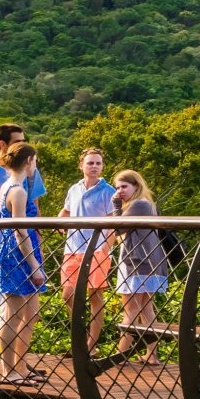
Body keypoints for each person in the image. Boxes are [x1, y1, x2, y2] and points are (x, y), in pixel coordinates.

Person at [0, 142, 48, 385]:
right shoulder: (17, 191)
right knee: (12, 314)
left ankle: (20, 366)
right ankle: (8, 370)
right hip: (19, 254)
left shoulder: (9, 186)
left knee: (30, 313)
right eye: (35, 160)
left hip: (20, 250)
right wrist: (33, 263)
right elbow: (19, 231)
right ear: (29, 161)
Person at [57, 148, 116, 348]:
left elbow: (113, 223)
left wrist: (105, 249)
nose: (94, 167)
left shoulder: (109, 192)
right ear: (81, 165)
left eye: (98, 163)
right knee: (68, 295)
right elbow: (65, 211)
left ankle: (91, 345)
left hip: (97, 249)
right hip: (72, 249)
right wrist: (58, 222)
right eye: (90, 163)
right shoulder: (74, 189)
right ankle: (80, 337)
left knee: (94, 296)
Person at [109, 169, 169, 357]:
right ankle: (152, 355)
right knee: (146, 309)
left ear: (136, 185)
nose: (120, 191)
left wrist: (116, 206)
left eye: (124, 186)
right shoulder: (147, 204)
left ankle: (119, 355)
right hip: (150, 262)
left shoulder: (137, 205)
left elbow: (116, 229)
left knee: (131, 310)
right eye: (117, 187)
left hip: (136, 263)